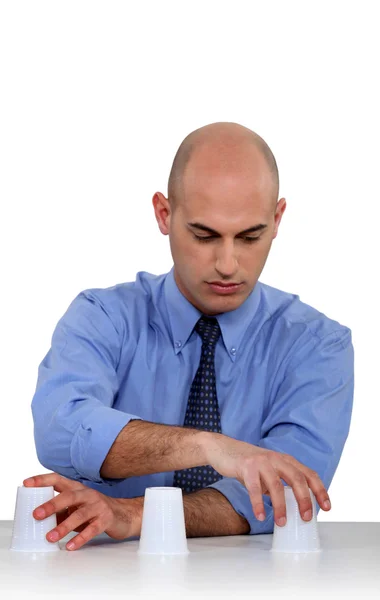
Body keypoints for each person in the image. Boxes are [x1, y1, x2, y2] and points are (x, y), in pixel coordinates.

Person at [25, 122, 354, 552]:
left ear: (277, 220)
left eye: (251, 236)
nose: (227, 264)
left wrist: (134, 514)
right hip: (103, 584)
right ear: (164, 214)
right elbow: (59, 426)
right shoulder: (103, 316)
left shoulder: (318, 345)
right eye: (204, 235)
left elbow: (287, 493)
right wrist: (210, 447)